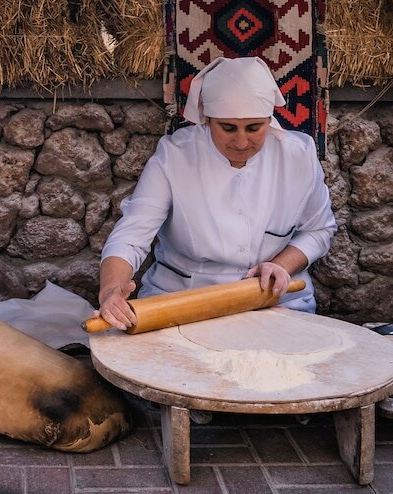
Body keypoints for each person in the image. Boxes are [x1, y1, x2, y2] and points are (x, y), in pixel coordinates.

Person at [94, 56, 337, 330]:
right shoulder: (175, 156)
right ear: (207, 120)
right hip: (182, 300)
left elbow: (319, 230)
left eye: (255, 128)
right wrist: (110, 290)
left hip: (275, 298)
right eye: (229, 128)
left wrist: (282, 265)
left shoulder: (298, 155)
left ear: (269, 119)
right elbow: (132, 234)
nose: (242, 142)